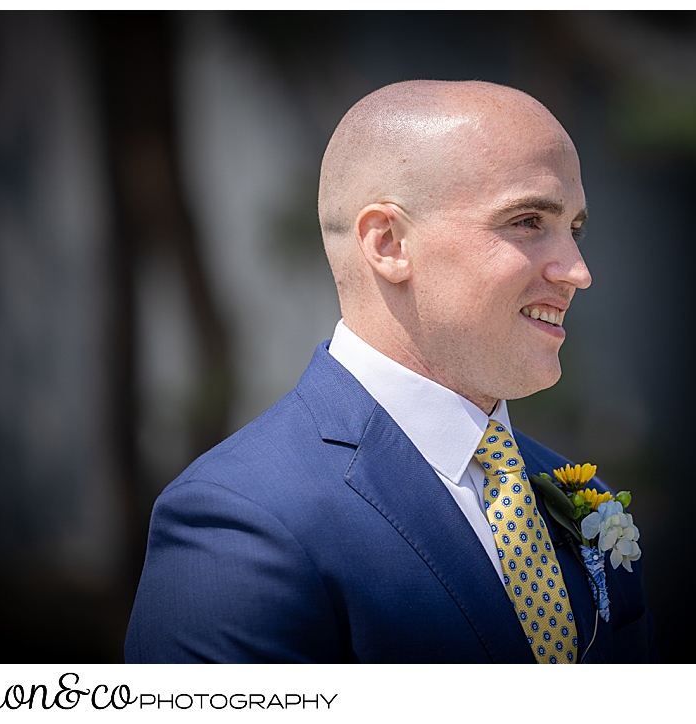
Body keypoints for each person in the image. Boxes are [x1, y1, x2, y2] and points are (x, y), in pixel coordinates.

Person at [125, 80, 657, 663]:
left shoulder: (579, 495)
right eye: (529, 221)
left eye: (574, 230)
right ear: (388, 242)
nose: (577, 271)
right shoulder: (242, 520)